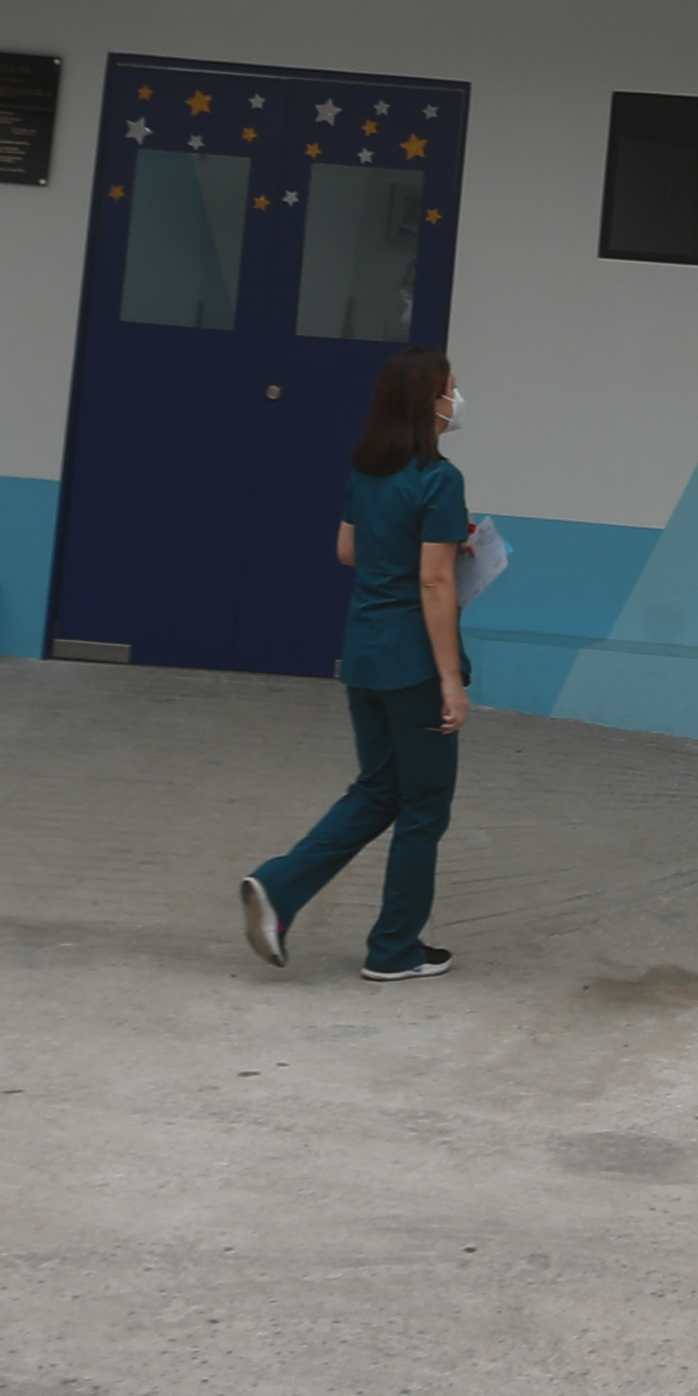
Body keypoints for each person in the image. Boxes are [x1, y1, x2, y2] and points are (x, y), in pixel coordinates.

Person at [235, 346, 474, 986]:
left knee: (377, 790)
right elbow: (434, 583)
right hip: (413, 665)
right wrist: (451, 680)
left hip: (364, 654)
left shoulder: (367, 469)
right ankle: (394, 948)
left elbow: (348, 550)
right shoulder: (439, 479)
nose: (459, 400)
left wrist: (447, 536)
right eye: (452, 389)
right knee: (423, 804)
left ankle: (279, 887)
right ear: (431, 402)